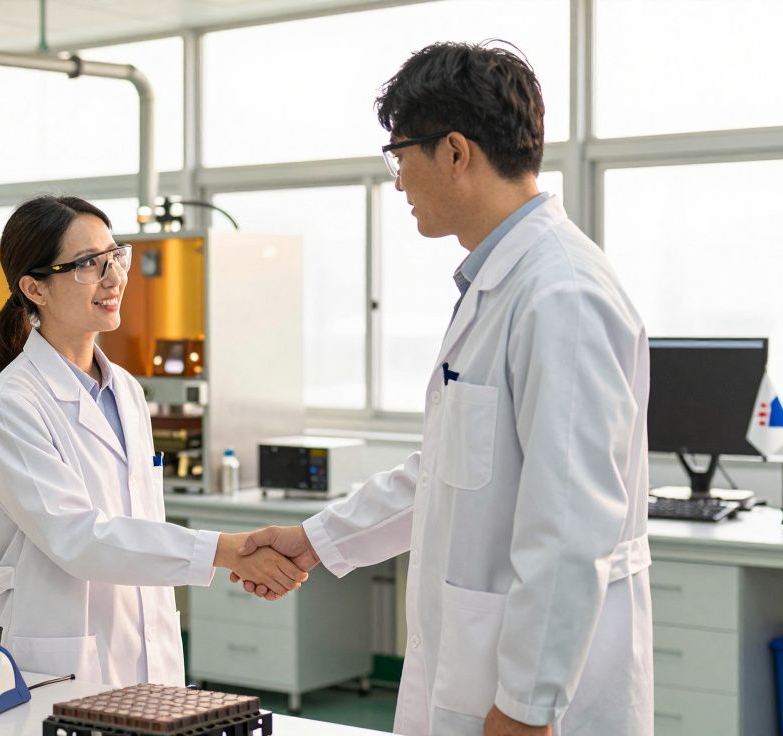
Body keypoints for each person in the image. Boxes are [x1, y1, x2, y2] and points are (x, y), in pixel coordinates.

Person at [234, 42, 653, 736]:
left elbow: (572, 523)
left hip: (532, 706)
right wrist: (314, 540)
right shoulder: (500, 285)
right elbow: (446, 476)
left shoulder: (563, 295)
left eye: (400, 157)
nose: (398, 181)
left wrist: (526, 707)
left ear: (455, 152)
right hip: (475, 678)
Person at [0, 195, 308, 688]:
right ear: (34, 287)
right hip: (58, 659)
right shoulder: (12, 406)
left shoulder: (125, 389)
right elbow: (78, 538)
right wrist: (225, 549)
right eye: (88, 264)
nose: (113, 277)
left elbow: (137, 526)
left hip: (147, 646)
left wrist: (221, 553)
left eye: (114, 256)